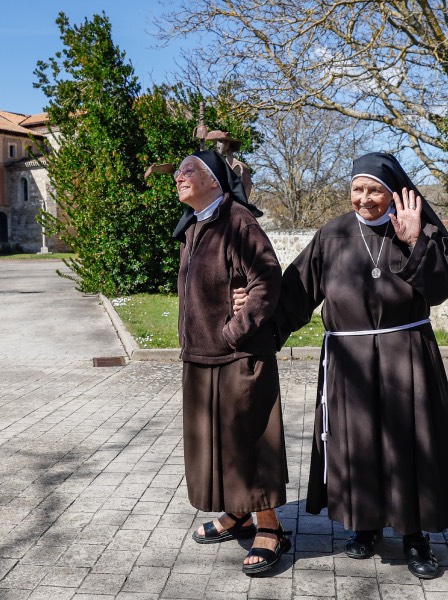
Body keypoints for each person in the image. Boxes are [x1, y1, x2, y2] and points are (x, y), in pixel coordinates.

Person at [237, 152, 448, 579]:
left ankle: (415, 537)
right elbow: (294, 293)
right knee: (359, 444)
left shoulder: (416, 230)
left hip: (406, 356)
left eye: (375, 191)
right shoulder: (331, 235)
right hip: (349, 361)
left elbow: (447, 283)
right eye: (357, 190)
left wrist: (414, 240)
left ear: (393, 194)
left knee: (410, 446)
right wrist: (254, 313)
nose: (365, 199)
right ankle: (365, 526)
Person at [172, 149, 291, 576]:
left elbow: (267, 279)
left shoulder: (238, 221)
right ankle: (238, 513)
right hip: (202, 357)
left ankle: (270, 526)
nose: (179, 176)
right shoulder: (195, 227)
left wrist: (234, 329)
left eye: (189, 170)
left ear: (215, 181)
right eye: (179, 172)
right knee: (217, 444)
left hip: (238, 355)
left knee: (250, 441)